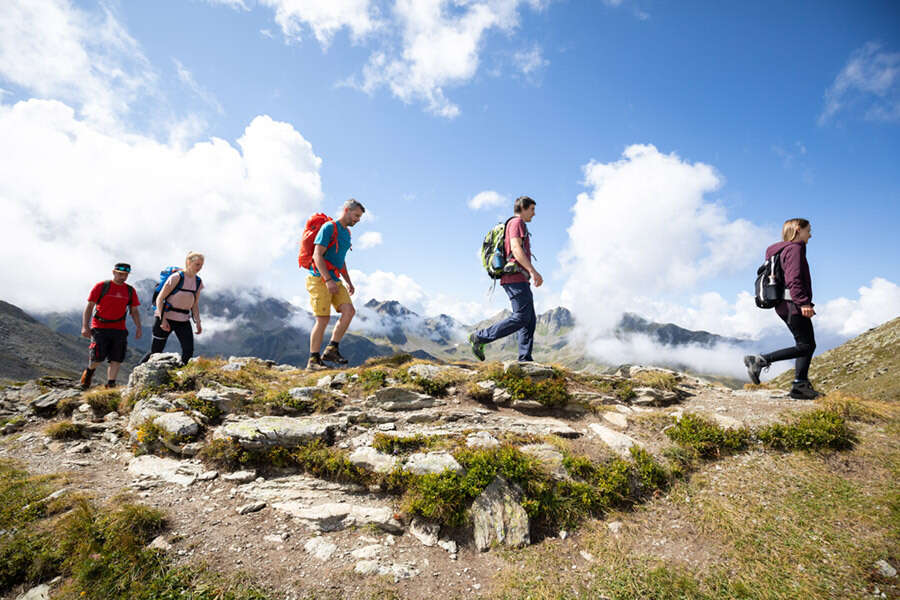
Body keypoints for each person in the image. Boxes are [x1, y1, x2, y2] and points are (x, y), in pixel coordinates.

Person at [744, 218, 820, 399]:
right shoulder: (795, 249)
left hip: (783, 304)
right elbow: (794, 279)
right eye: (808, 230)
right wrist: (803, 303)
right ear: (797, 231)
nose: (810, 234)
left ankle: (800, 385)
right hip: (793, 303)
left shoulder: (779, 250)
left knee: (805, 344)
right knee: (807, 345)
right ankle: (761, 360)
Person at [469, 196, 543, 362]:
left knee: (529, 319)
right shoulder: (517, 223)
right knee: (522, 317)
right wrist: (533, 271)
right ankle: (480, 337)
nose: (534, 214)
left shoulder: (514, 224)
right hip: (515, 277)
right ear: (523, 208)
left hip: (517, 278)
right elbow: (516, 249)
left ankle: (525, 359)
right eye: (532, 209)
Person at [306, 199, 363, 370]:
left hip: (336, 279)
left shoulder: (346, 233)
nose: (358, 219)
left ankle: (332, 349)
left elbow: (340, 259)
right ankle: (313, 361)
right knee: (323, 319)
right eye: (356, 215)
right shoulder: (329, 228)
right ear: (346, 210)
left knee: (349, 311)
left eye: (359, 217)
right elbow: (317, 255)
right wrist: (328, 280)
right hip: (319, 278)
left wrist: (348, 281)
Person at [80, 262, 142, 389]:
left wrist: (138, 327)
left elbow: (134, 310)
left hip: (119, 328)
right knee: (97, 357)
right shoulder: (102, 286)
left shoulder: (130, 291)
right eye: (119, 274)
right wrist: (85, 326)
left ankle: (110, 384)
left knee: (117, 357)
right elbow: (90, 306)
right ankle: (89, 372)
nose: (122, 277)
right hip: (99, 326)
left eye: (125, 275)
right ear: (113, 272)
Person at [141, 252, 204, 366]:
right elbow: (160, 299)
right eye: (197, 264)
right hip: (166, 318)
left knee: (188, 350)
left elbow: (194, 304)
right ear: (189, 262)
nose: (199, 268)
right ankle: (138, 370)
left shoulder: (198, 282)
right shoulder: (176, 277)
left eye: (201, 265)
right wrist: (162, 319)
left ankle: (181, 376)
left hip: (183, 320)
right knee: (156, 351)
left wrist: (198, 322)